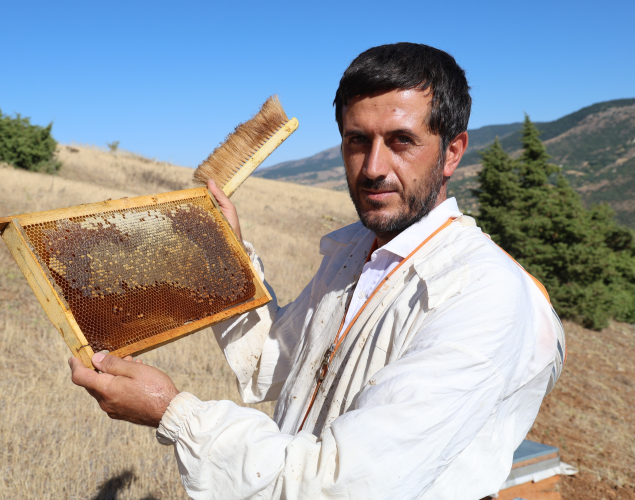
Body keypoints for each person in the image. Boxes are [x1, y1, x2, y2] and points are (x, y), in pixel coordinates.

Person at [69, 43, 565, 499]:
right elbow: (277, 363)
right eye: (357, 140)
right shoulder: (354, 250)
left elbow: (347, 483)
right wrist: (227, 255)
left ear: (452, 151)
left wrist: (172, 413)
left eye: (401, 141)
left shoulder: (483, 294)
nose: (373, 167)